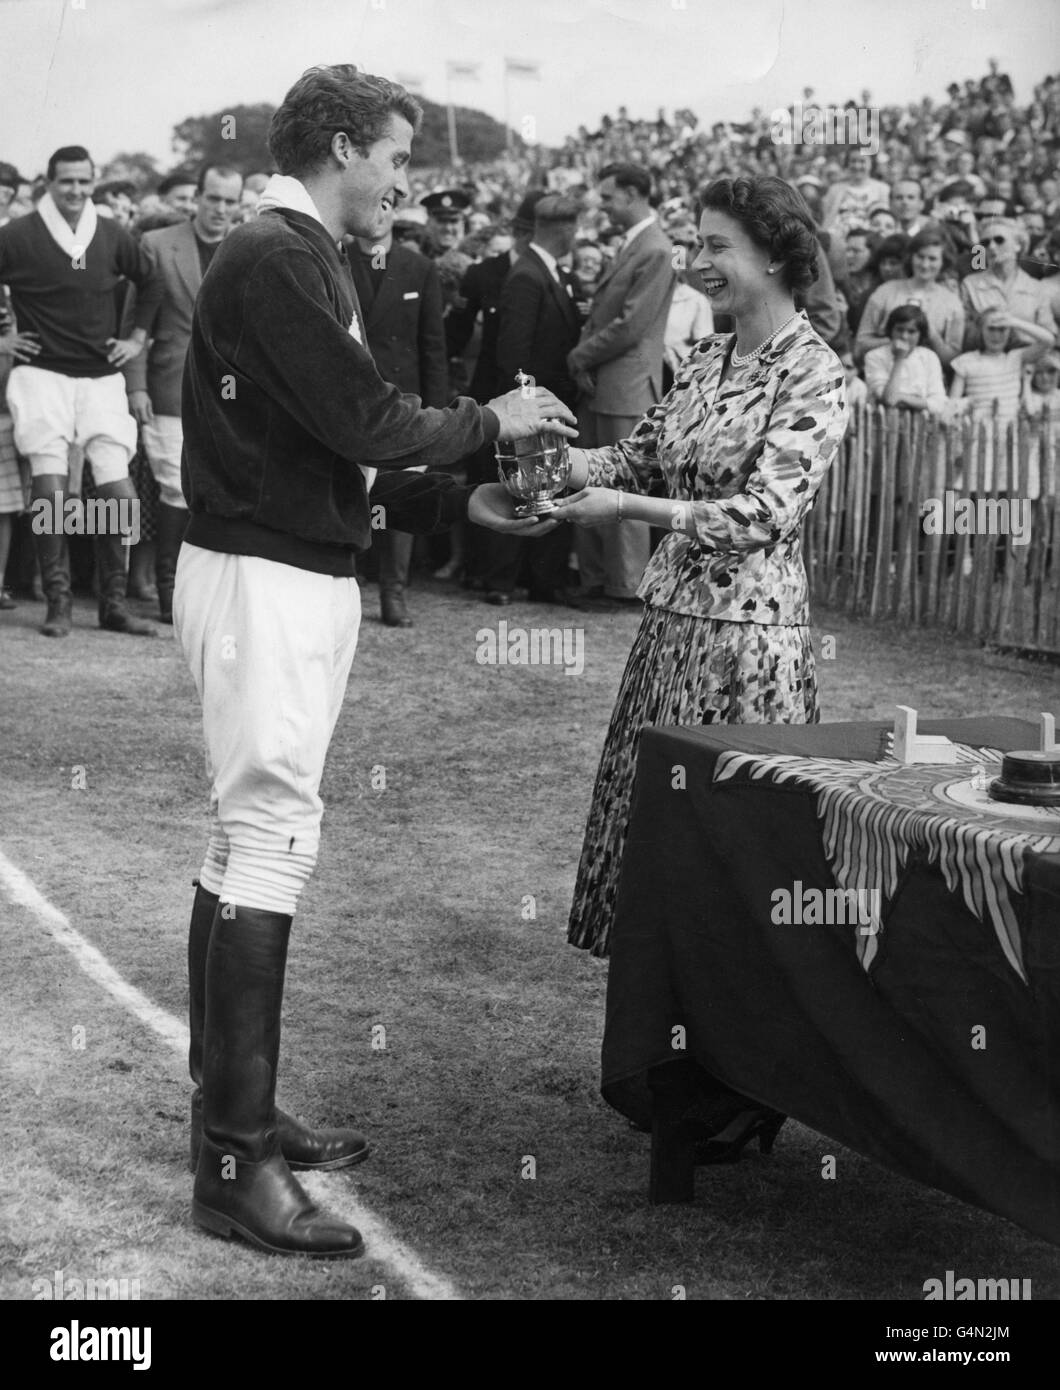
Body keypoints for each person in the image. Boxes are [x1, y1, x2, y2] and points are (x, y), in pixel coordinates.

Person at [174, 62, 576, 1259]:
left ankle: (232, 1115)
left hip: (286, 567)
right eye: (396, 155)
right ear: (340, 145)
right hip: (266, 577)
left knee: (244, 836)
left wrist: (466, 494)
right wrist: (491, 421)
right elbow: (365, 424)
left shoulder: (303, 255)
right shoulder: (280, 253)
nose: (406, 178)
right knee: (265, 836)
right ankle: (230, 1164)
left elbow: (352, 454)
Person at [552, 175, 847, 1156]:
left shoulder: (817, 374)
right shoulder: (710, 356)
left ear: (776, 258)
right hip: (670, 634)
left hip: (744, 649)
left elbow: (762, 512)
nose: (697, 262)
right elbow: (642, 456)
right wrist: (567, 464)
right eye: (692, 243)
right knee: (664, 852)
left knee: (731, 856)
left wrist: (629, 513)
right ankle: (677, 1069)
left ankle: (745, 1084)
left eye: (715, 245)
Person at [0, 145, 157, 637]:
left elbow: (151, 281)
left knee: (117, 482)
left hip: (101, 377)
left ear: (94, 182)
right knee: (51, 481)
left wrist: (135, 339)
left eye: (84, 182)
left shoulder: (111, 233)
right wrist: (2, 337)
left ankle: (112, 603)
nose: (75, 191)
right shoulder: (17, 235)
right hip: (41, 372)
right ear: (47, 182)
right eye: (66, 181)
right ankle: (59, 603)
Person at [125, 164, 244, 622]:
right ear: (196, 198)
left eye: (230, 202)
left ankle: (208, 592)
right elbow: (136, 324)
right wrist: (136, 385)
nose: (220, 209)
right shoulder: (157, 245)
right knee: (175, 487)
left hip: (233, 396)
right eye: (213, 199)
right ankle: (167, 588)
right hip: (170, 388)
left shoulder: (248, 247)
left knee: (220, 491)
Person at [567, 162, 677, 609]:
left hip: (627, 384)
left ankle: (626, 585)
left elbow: (631, 325)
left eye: (609, 197)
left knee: (623, 491)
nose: (603, 206)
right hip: (607, 383)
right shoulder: (637, 245)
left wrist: (580, 354)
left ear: (634, 194)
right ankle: (598, 579)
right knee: (591, 480)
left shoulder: (655, 249)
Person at [347, 203, 449, 627]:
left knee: (402, 492)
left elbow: (433, 346)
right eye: (373, 203)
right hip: (349, 398)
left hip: (404, 402)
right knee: (350, 492)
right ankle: (345, 586)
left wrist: (439, 413)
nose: (379, 212)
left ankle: (394, 592)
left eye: (387, 205)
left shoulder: (419, 267)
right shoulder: (335, 258)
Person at [488, 193, 584, 605]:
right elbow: (513, 354)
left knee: (544, 489)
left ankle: (542, 578)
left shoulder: (546, 271)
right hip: (537, 407)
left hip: (547, 403)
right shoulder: (529, 276)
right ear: (563, 229)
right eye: (574, 228)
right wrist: (531, 406)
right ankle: (521, 580)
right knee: (532, 488)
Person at [855, 228, 964, 370]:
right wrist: (895, 340)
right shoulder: (885, 292)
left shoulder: (951, 302)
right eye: (920, 256)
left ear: (943, 262)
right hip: (884, 371)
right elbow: (860, 345)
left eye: (932, 259)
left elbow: (953, 360)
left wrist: (931, 334)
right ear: (911, 256)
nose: (925, 265)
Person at [960, 216, 1058, 351]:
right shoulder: (970, 285)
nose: (992, 246)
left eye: (999, 240)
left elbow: (1050, 335)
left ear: (1018, 245)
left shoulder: (1036, 288)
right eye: (985, 243)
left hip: (1027, 360)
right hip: (986, 361)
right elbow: (964, 336)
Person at [863, 305, 947, 416]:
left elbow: (938, 404)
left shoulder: (929, 357)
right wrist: (899, 359)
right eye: (899, 329)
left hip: (921, 422)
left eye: (911, 332)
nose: (904, 336)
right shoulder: (875, 356)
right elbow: (889, 399)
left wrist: (901, 397)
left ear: (920, 335)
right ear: (891, 330)